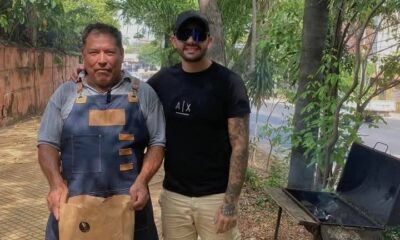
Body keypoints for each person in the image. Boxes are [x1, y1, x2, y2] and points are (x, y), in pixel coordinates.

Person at [37, 23, 165, 240]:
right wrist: (55, 184)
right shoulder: (66, 94)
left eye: (110, 52)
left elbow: (157, 142)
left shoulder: (143, 94)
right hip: (74, 209)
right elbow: (47, 143)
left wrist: (143, 180)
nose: (102, 59)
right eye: (94, 52)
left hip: (131, 206)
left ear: (122, 54)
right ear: (83, 56)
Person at [147, 10, 251, 240]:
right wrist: (85, 74)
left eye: (199, 34)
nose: (192, 40)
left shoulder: (229, 83)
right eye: (185, 33)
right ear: (175, 40)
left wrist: (230, 203)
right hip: (174, 197)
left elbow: (240, 146)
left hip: (215, 198)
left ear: (209, 40)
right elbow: (128, 92)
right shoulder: (162, 81)